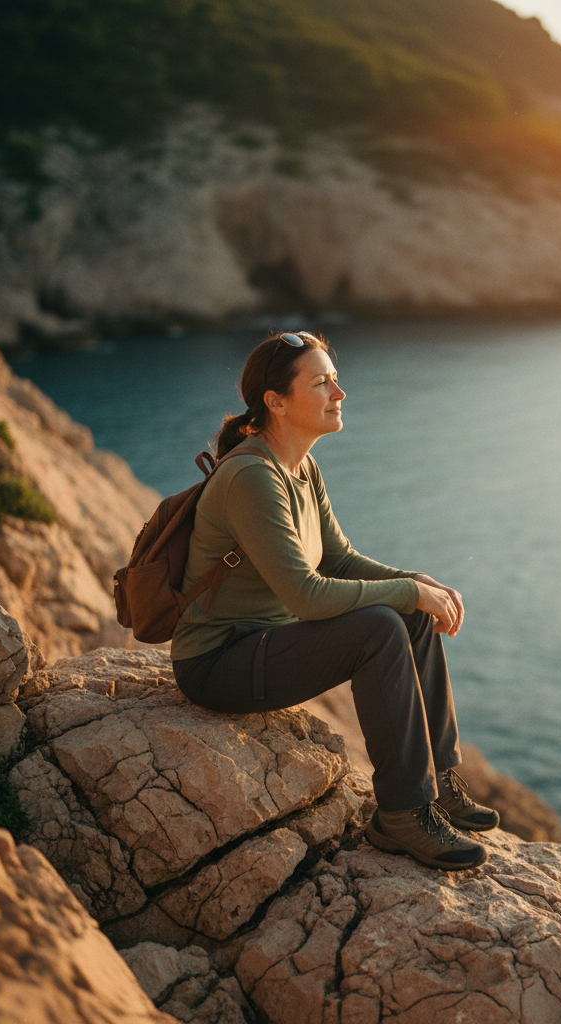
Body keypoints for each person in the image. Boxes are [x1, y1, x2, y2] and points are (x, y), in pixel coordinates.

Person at [171, 330, 499, 871]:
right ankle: (400, 815)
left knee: (408, 616)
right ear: (275, 402)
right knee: (379, 627)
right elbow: (307, 594)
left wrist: (419, 585)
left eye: (335, 380)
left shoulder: (303, 468)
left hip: (265, 645)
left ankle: (437, 782)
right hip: (218, 663)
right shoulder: (253, 476)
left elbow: (340, 560)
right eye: (322, 383)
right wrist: (408, 592)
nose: (339, 393)